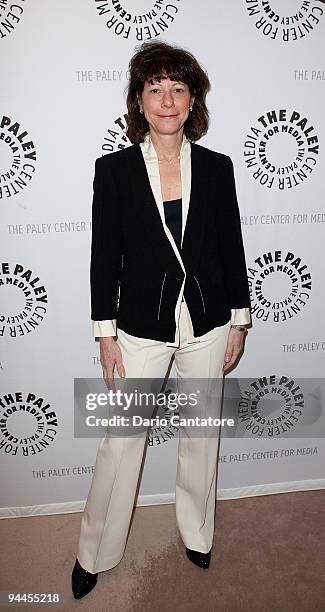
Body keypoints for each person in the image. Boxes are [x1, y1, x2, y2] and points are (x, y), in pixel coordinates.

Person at [72, 40, 251, 599]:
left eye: (178, 87)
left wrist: (239, 321)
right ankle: (94, 550)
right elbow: (105, 257)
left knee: (202, 434)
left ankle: (197, 533)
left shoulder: (218, 169)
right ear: (139, 100)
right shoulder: (115, 170)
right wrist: (105, 334)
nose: (167, 99)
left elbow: (231, 247)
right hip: (138, 325)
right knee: (120, 440)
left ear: (192, 97)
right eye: (155, 88)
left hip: (207, 320)